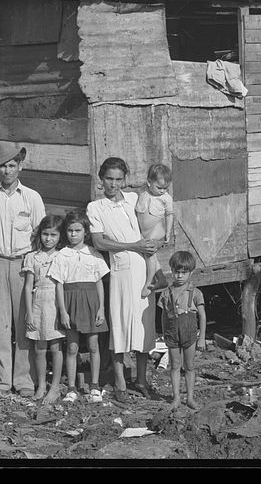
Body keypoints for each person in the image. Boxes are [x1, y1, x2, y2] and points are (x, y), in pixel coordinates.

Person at [86, 157, 159, 403]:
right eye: (109, 179)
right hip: (120, 269)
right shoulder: (96, 207)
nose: (113, 184)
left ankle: (141, 379)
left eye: (118, 179)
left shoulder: (134, 199)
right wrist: (133, 245)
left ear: (125, 179)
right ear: (101, 179)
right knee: (119, 326)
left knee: (143, 326)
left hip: (143, 268)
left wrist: (151, 244)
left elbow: (150, 224)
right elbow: (99, 242)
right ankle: (120, 382)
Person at [0, 143, 46, 397]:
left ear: (20, 166)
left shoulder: (31, 197)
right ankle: (4, 381)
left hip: (23, 264)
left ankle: (24, 380)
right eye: (3, 166)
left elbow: (41, 236)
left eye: (12, 165)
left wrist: (37, 270)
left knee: (24, 322)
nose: (7, 170)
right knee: (0, 324)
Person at [49, 209, 110, 403]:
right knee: (72, 347)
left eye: (77, 230)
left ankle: (94, 386)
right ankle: (72, 388)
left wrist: (101, 308)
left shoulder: (94, 254)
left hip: (91, 302)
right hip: (70, 302)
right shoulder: (61, 255)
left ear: (86, 232)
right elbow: (59, 285)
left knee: (93, 346)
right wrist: (63, 311)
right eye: (70, 231)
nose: (73, 234)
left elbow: (99, 282)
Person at [21, 214, 66, 404]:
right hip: (38, 301)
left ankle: (54, 386)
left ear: (59, 237)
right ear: (40, 235)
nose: (49, 239)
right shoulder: (33, 257)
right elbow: (27, 286)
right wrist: (29, 313)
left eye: (53, 235)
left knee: (55, 346)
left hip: (56, 301)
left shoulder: (62, 256)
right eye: (45, 234)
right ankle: (41, 384)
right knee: (39, 348)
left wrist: (64, 311)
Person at [158, 250, 207, 410]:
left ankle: (190, 398)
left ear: (190, 273)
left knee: (190, 366)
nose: (179, 276)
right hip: (172, 334)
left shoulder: (195, 293)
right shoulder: (166, 293)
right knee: (174, 366)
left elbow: (202, 316)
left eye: (183, 273)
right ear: (172, 271)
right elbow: (164, 316)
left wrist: (202, 338)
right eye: (176, 272)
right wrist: (164, 333)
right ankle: (176, 398)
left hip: (189, 334)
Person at [136, 163, 175, 298]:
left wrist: (168, 233)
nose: (162, 191)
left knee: (149, 253)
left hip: (157, 230)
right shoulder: (143, 191)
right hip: (144, 231)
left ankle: (148, 283)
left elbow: (169, 215)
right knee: (152, 256)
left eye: (165, 188)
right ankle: (161, 279)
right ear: (148, 182)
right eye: (159, 187)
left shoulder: (166, 198)